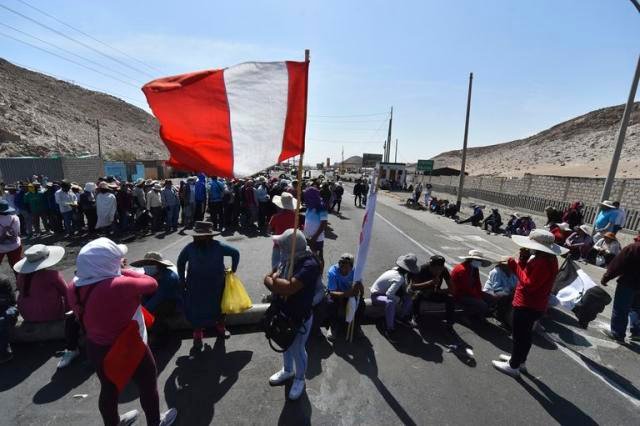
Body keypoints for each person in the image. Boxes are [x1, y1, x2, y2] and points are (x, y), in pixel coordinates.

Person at [69, 238, 177, 425]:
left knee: (109, 389)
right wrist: (122, 270)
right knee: (147, 384)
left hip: (96, 347)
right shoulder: (119, 285)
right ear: (107, 265)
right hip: (128, 346)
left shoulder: (74, 286)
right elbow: (151, 283)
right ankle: (154, 422)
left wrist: (114, 270)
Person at [492, 230, 567, 377]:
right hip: (533, 304)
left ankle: (513, 366)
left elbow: (528, 283)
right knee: (524, 336)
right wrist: (523, 260)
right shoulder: (545, 258)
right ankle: (519, 361)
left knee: (520, 336)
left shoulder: (542, 262)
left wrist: (514, 265)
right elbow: (527, 273)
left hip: (528, 304)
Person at [264, 229, 320, 400]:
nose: (280, 248)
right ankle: (288, 371)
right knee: (285, 344)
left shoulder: (309, 264)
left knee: (297, 349)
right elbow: (267, 277)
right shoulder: (287, 259)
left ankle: (299, 379)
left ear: (292, 247)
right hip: (283, 313)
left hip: (299, 317)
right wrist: (274, 282)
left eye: (283, 245)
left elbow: (288, 287)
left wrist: (274, 281)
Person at [177, 221, 239, 349]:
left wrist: (233, 269)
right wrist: (182, 280)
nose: (197, 237)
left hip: (216, 285)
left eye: (201, 235)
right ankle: (198, 334)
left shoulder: (219, 246)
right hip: (195, 285)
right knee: (196, 309)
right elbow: (180, 262)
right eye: (196, 235)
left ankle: (221, 328)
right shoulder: (190, 248)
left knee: (220, 307)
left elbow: (235, 253)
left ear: (209, 236)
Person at [131, 252, 182, 343]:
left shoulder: (168, 277)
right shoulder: (149, 275)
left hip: (172, 302)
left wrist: (142, 311)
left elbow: (158, 298)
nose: (147, 266)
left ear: (158, 265)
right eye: (146, 264)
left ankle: (158, 336)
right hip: (156, 299)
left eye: (150, 264)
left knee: (154, 312)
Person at [600, 234, 640, 342]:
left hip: (628, 283)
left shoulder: (633, 248)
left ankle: (617, 333)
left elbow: (617, 264)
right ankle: (637, 332)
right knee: (636, 308)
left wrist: (606, 277)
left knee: (621, 308)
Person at [370, 254, 419, 341]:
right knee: (391, 302)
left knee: (408, 298)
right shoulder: (399, 278)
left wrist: (407, 293)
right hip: (376, 296)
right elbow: (389, 294)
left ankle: (401, 317)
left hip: (383, 293)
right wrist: (399, 299)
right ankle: (389, 328)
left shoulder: (395, 270)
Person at [325, 253, 365, 341]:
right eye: (341, 264)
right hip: (336, 294)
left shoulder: (356, 272)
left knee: (362, 304)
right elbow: (332, 292)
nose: (342, 268)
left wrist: (360, 287)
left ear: (351, 267)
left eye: (346, 266)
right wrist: (348, 294)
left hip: (349, 294)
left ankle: (356, 327)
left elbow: (361, 292)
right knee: (330, 303)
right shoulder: (333, 272)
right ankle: (333, 327)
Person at [409, 254, 455, 327]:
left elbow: (452, 289)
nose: (438, 271)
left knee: (450, 298)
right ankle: (414, 316)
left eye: (440, 269)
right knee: (416, 295)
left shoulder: (444, 270)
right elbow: (413, 287)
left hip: (435, 292)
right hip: (422, 292)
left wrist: (439, 291)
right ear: (430, 266)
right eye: (435, 269)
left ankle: (450, 321)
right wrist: (429, 283)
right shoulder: (422, 269)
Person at [450, 250, 494, 320]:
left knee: (490, 298)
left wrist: (479, 294)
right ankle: (465, 315)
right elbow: (466, 288)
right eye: (477, 260)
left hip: (469, 293)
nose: (479, 262)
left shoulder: (474, 268)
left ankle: (477, 313)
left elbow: (477, 283)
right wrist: (478, 297)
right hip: (460, 294)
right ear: (471, 260)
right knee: (482, 304)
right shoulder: (462, 269)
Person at [483, 256, 518, 326]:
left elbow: (516, 285)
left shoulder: (512, 273)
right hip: (491, 291)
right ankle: (498, 316)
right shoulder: (496, 272)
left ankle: (509, 317)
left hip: (506, 291)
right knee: (504, 297)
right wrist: (510, 292)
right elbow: (497, 288)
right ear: (503, 265)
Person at [269, 192, 298, 271]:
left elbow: (269, 229)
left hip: (278, 243)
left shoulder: (275, 217)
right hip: (291, 244)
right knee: (289, 266)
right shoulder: (296, 216)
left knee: (275, 265)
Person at [302, 186, 328, 268]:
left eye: (307, 196)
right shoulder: (309, 206)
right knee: (308, 256)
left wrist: (315, 236)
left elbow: (324, 223)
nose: (305, 199)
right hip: (307, 237)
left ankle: (319, 274)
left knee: (318, 257)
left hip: (317, 239)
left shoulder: (321, 207)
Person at [0, 200, 22, 272]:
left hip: (1, 247)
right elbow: (18, 232)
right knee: (17, 267)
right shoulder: (15, 217)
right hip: (15, 245)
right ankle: (20, 282)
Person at [0, 273, 17, 363]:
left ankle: (4, 353)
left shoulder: (3, 280)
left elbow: (9, 301)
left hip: (7, 308)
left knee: (2, 320)